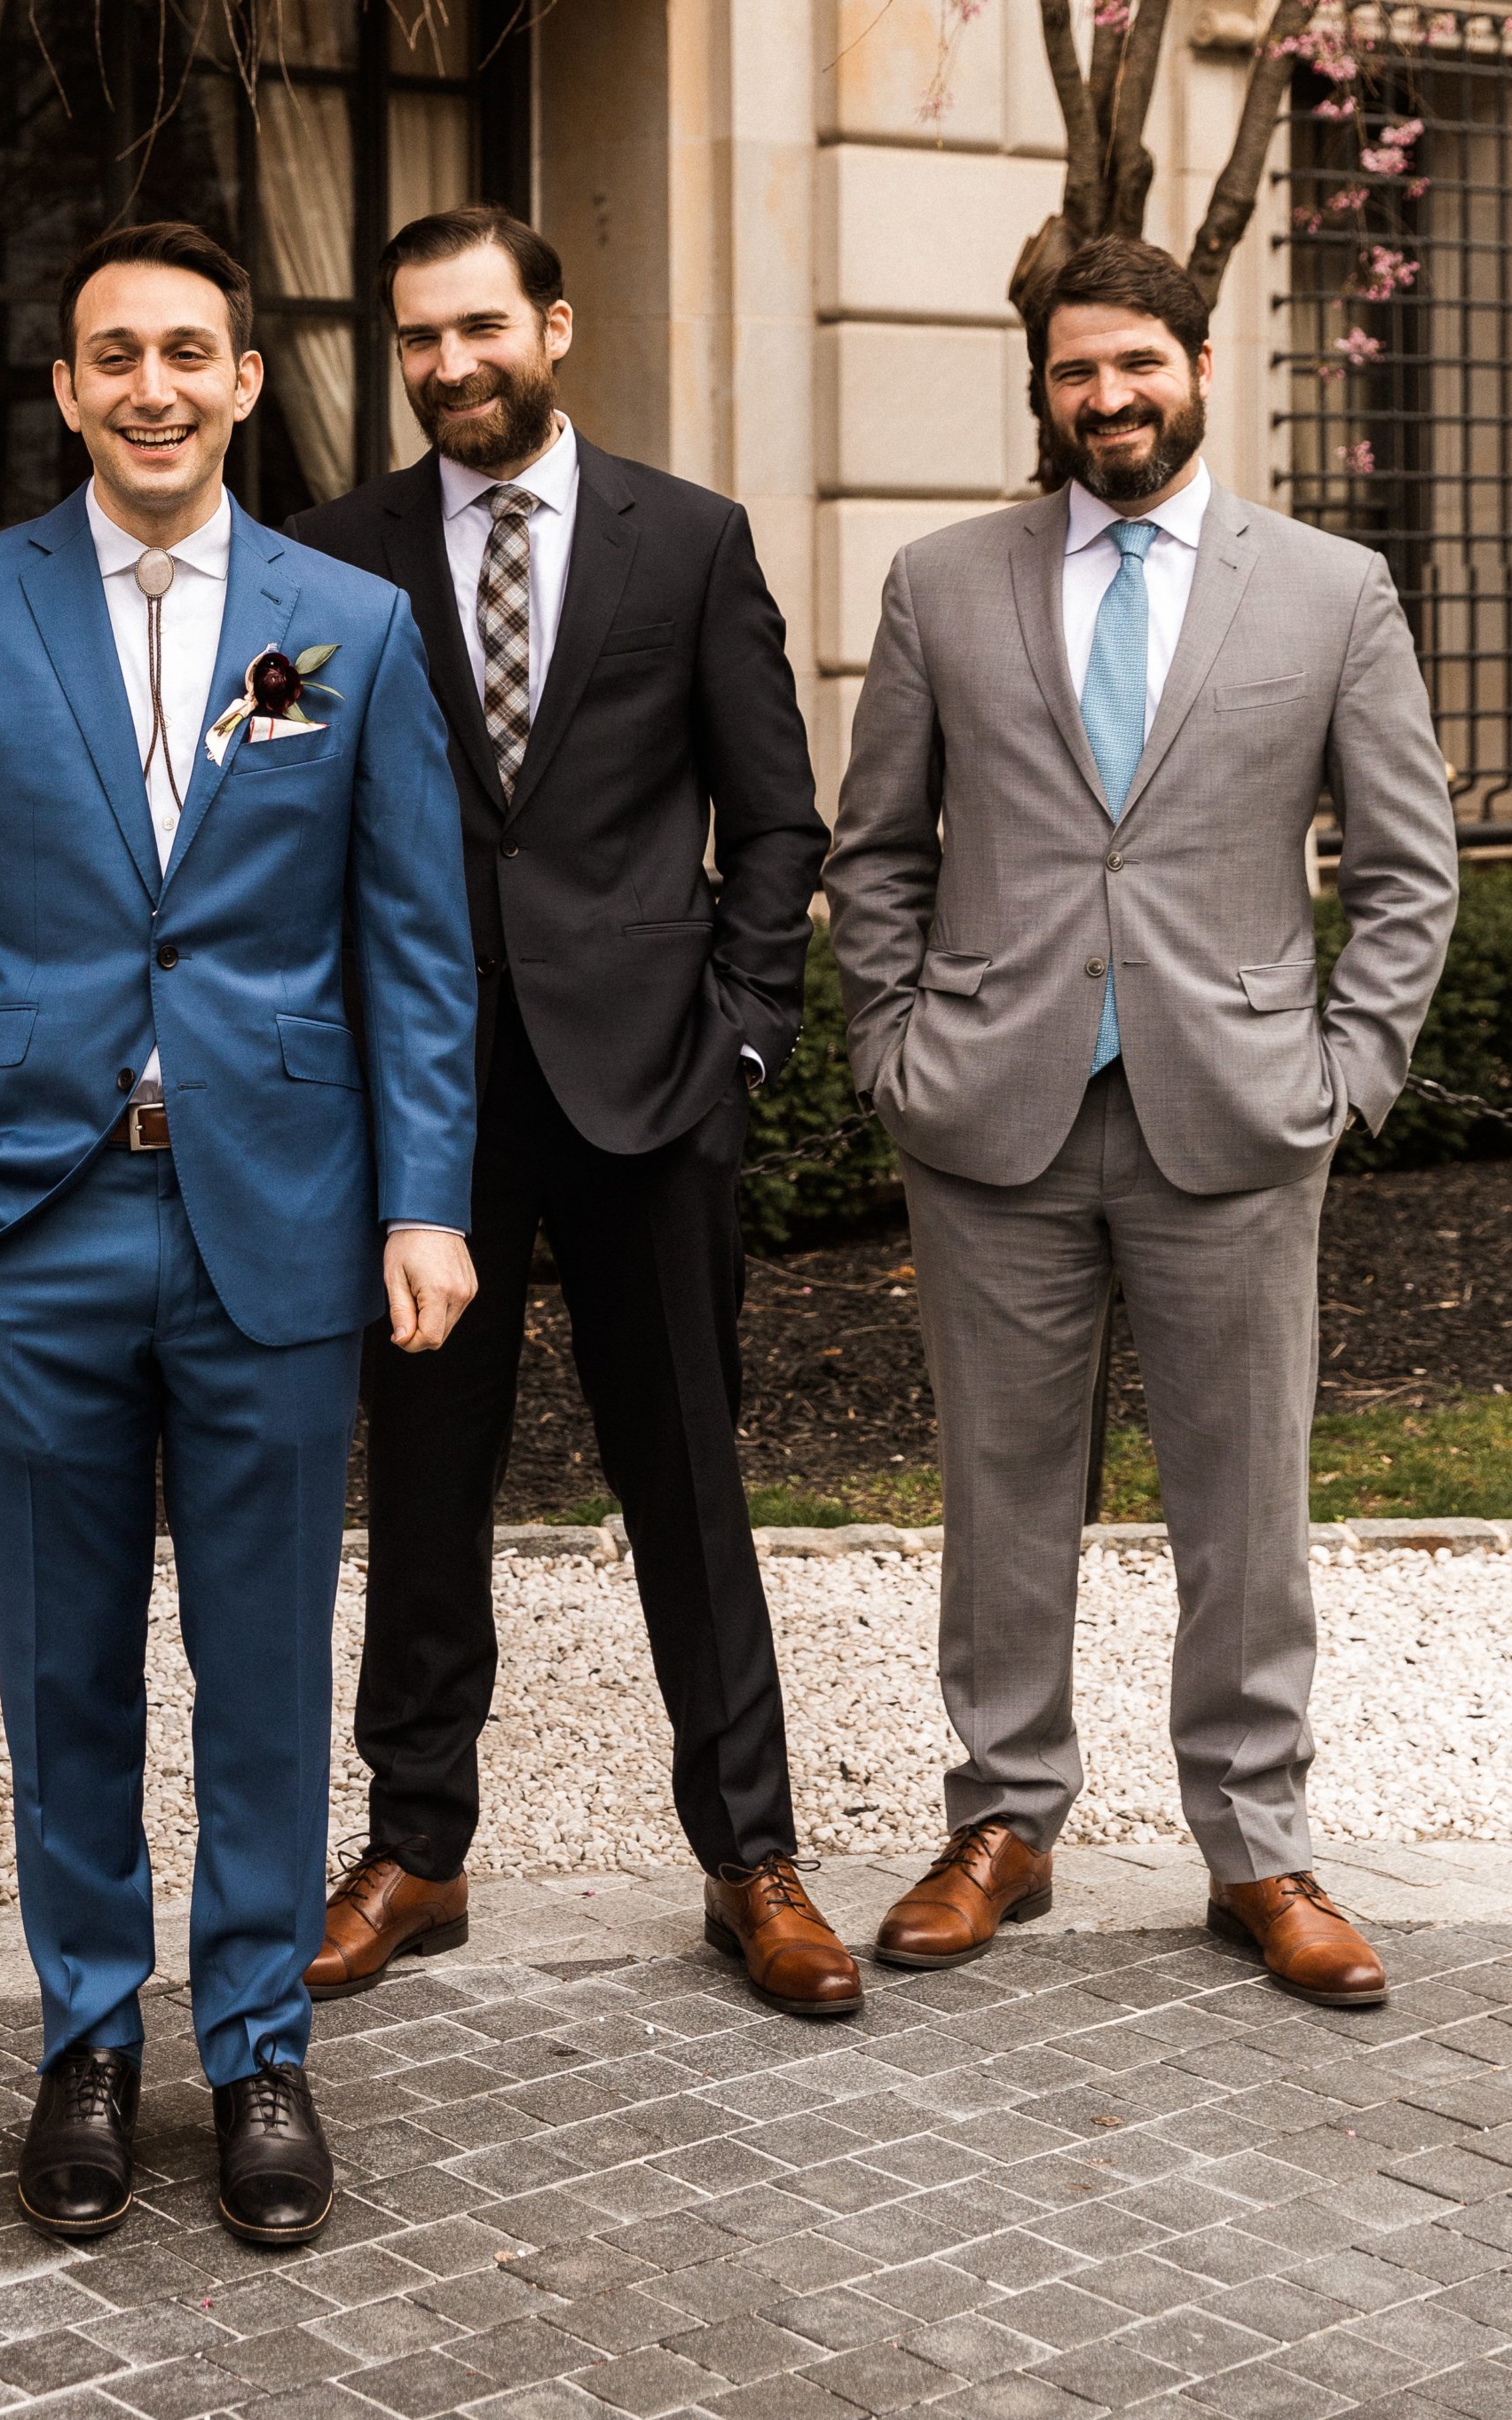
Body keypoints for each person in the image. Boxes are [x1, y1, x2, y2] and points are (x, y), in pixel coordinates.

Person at [0, 221, 477, 2251]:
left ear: (246, 378)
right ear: (61, 388)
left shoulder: (343, 625)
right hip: (26, 1217)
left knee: (266, 1655)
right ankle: (89, 2037)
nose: (150, 385)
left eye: (186, 350)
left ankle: (261, 2042)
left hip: (274, 1219)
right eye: (110, 351)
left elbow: (411, 944)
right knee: (65, 1658)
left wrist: (424, 1193)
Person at [826, 231, 1458, 2006]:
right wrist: (890, 1044)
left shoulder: (1328, 589)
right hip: (988, 1115)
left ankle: (1254, 1844)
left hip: (1237, 1113)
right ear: (1038, 386)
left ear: (1195, 360)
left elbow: (1406, 872)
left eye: (1134, 364)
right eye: (1071, 371)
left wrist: (1341, 1076)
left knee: (1240, 1501)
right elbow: (872, 848)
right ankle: (1001, 1821)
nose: (1105, 397)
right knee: (996, 1492)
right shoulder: (942, 581)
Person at [290, 205, 854, 2018]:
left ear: (551, 322)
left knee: (687, 1479)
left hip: (650, 1091)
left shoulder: (687, 541)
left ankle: (748, 1854)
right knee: (424, 1481)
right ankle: (414, 1847)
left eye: (476, 326)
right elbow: (283, 826)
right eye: (414, 338)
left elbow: (776, 817)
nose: (447, 363)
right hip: (421, 1111)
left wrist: (746, 1037)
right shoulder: (330, 552)